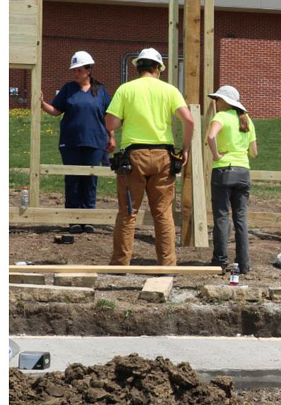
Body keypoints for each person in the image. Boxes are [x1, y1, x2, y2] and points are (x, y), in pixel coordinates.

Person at [103, 47, 196, 266]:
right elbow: (189, 121)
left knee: (128, 213)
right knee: (163, 214)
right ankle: (167, 264)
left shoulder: (126, 90)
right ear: (157, 68)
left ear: (138, 67)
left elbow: (110, 122)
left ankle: (120, 264)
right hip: (164, 156)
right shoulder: (170, 90)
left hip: (133, 158)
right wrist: (184, 149)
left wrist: (124, 120)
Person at [39, 50, 112, 229]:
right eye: (74, 70)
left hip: (95, 142)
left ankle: (88, 219)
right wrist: (41, 104)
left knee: (90, 180)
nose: (75, 73)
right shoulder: (68, 89)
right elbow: (56, 111)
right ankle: (73, 219)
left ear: (88, 70)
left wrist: (111, 137)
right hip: (70, 142)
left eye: (79, 70)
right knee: (72, 179)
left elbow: (107, 117)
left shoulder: (100, 91)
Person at [205, 85, 258, 274]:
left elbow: (210, 136)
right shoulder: (247, 120)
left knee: (221, 216)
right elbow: (254, 152)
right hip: (243, 171)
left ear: (225, 101)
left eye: (217, 99)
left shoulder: (221, 117)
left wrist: (217, 154)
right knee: (241, 218)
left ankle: (220, 260)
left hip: (224, 171)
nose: (215, 102)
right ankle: (244, 264)